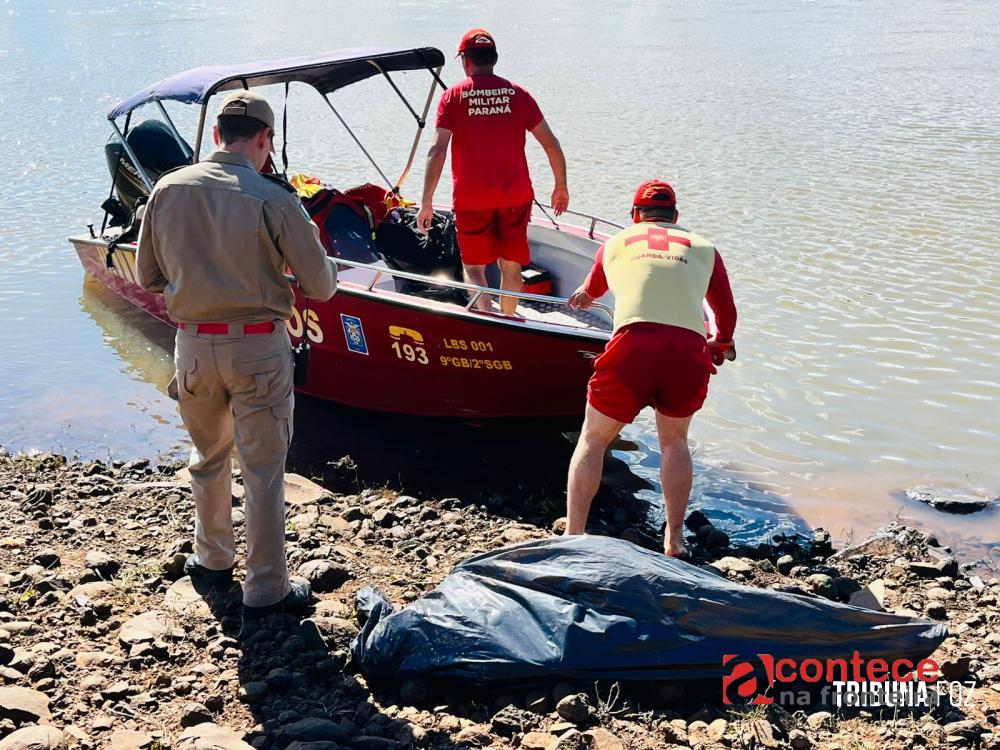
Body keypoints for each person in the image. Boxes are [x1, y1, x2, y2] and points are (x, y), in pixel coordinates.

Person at [136, 91, 338, 624]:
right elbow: (321, 285)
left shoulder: (167, 189)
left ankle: (212, 559)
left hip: (192, 346)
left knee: (208, 457)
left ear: (216, 136)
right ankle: (266, 589)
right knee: (263, 469)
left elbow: (147, 277)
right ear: (265, 139)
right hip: (257, 348)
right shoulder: (274, 198)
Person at [564, 180, 737, 557]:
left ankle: (573, 536)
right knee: (674, 442)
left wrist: (582, 297)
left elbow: (592, 290)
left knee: (593, 439)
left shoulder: (615, 243)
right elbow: (726, 312)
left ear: (634, 216)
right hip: (687, 348)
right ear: (675, 216)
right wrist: (721, 342)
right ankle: (674, 541)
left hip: (632, 344)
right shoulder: (705, 248)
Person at [417, 28, 569, 315]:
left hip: (472, 200)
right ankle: (508, 318)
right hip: (515, 197)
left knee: (474, 269)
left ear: (466, 61)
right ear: (494, 58)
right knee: (511, 267)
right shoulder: (519, 95)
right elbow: (551, 143)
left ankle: (487, 320)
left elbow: (437, 151)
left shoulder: (453, 97)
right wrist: (560, 186)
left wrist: (427, 202)